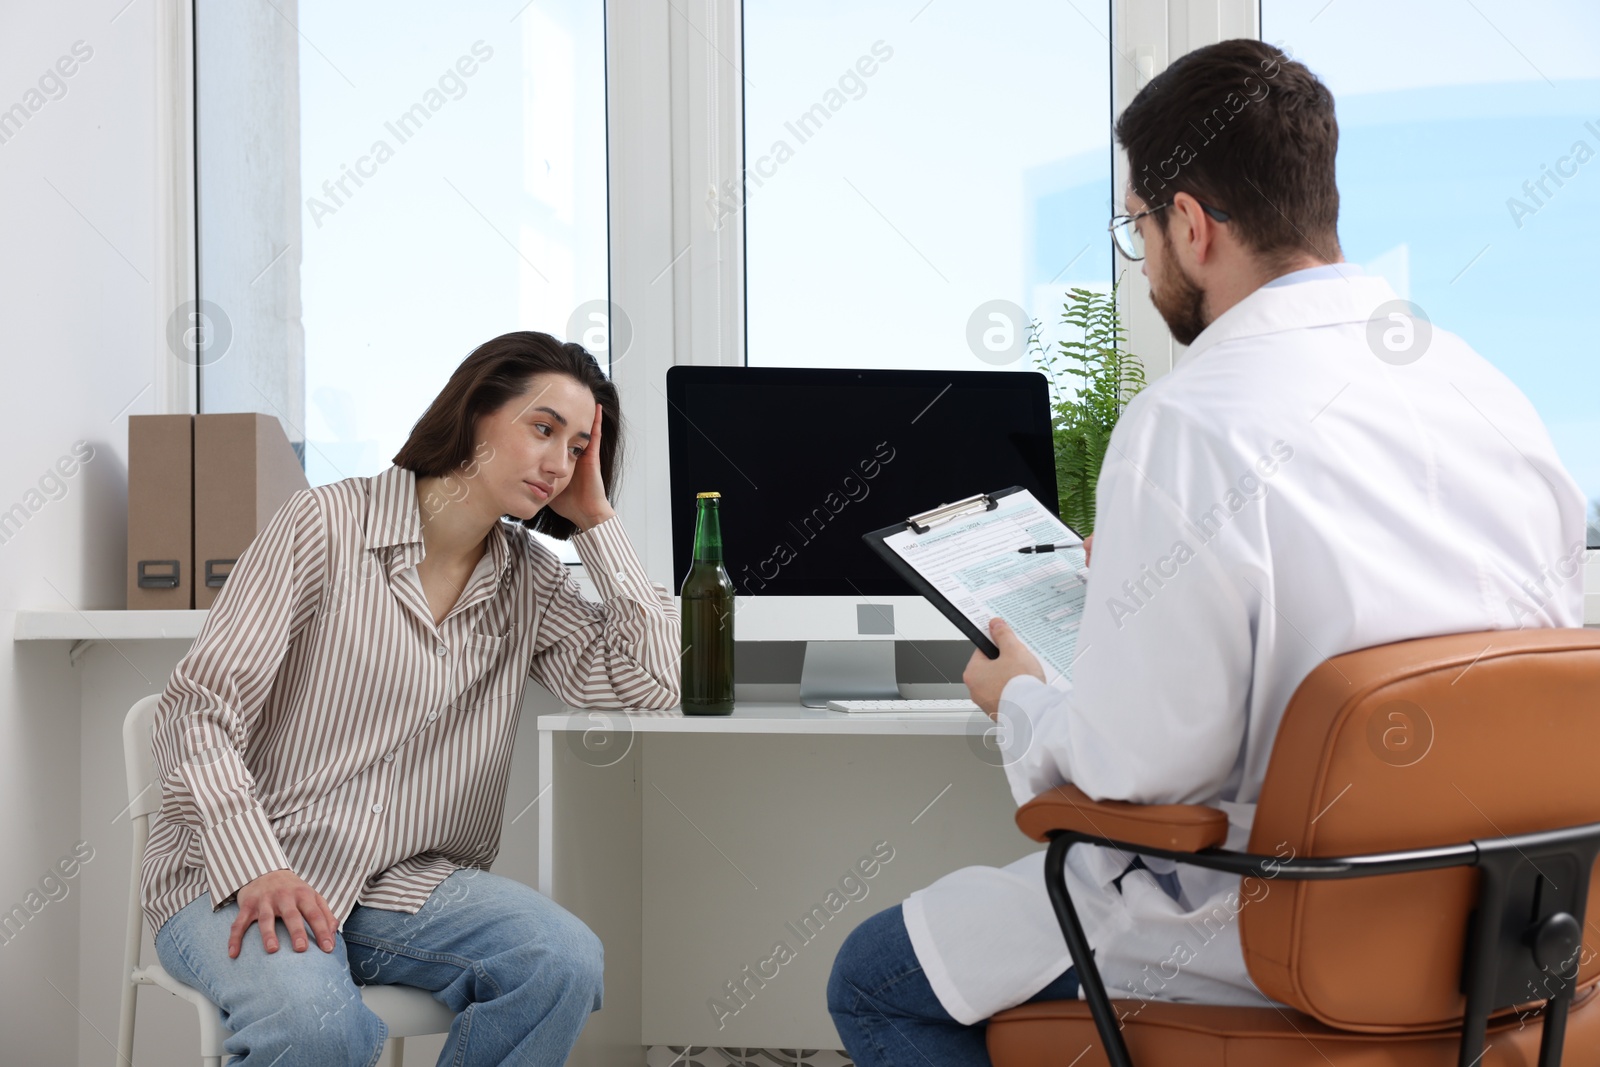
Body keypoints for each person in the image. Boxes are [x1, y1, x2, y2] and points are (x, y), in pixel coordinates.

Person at [828, 38, 1587, 1065]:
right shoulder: (1484, 392)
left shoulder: (1188, 425)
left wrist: (1019, 696)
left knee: (873, 978)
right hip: (1497, 933)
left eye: (1135, 227)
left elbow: (1142, 774)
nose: (1140, 259)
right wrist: (1142, 578)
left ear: (1188, 224)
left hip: (1273, 928)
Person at [141, 331, 681, 1066]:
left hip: (399, 885)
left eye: (580, 446)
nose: (559, 463)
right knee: (318, 1028)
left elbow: (654, 685)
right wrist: (257, 865)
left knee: (562, 961)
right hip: (239, 871)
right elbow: (196, 711)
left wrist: (597, 524)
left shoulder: (532, 580)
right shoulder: (323, 525)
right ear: (473, 414)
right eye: (543, 428)